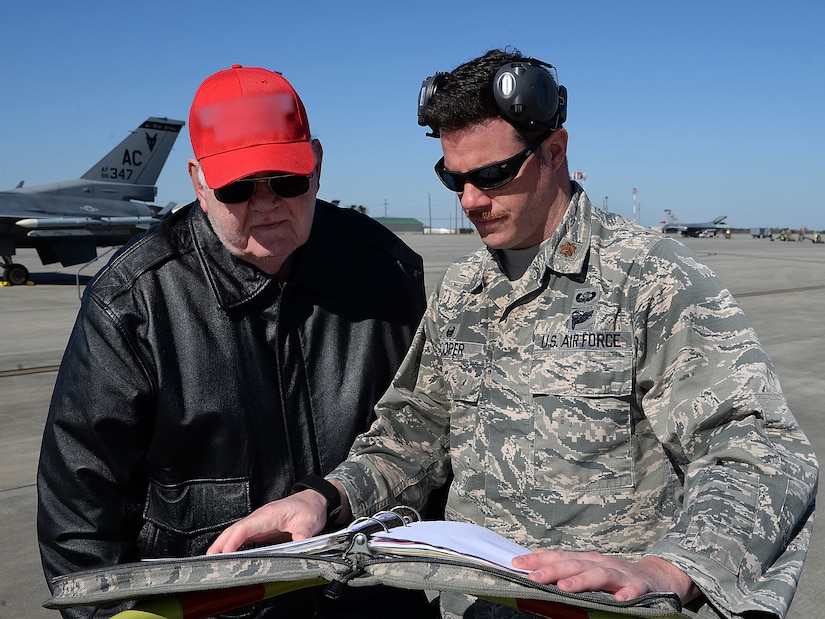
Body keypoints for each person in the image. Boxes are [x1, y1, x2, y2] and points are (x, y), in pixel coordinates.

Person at [208, 50, 819, 619]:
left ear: (555, 151)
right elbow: (413, 433)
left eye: (494, 176)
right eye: (454, 180)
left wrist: (668, 569)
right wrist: (327, 498)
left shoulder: (650, 279)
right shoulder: (466, 288)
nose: (471, 201)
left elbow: (761, 455)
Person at [37, 65, 438, 618]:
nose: (267, 202)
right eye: (238, 187)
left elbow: (430, 445)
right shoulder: (135, 303)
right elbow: (81, 520)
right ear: (199, 183)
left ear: (317, 165)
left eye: (287, 180)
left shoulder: (388, 274)